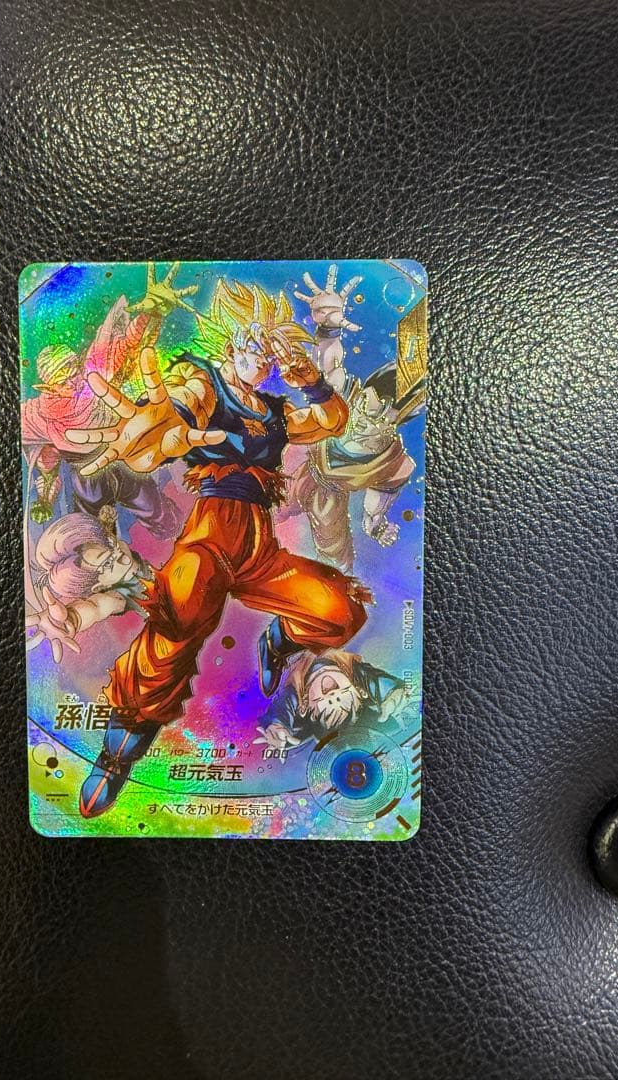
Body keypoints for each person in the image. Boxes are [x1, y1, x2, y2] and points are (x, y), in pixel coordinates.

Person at [63, 276, 372, 818]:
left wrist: (311, 382)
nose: (264, 357)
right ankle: (118, 753)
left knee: (340, 612)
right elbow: (175, 409)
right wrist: (156, 425)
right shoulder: (204, 383)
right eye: (256, 342)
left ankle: (280, 639)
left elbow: (330, 420)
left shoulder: (273, 411)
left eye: (272, 349)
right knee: (178, 617)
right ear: (230, 343)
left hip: (259, 550)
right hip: (209, 538)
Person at [21, 264, 193, 537]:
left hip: (124, 461)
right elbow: (37, 444)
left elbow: (125, 345)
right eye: (62, 378)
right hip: (87, 478)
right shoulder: (39, 412)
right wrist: (46, 488)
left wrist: (150, 311)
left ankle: (176, 535)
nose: (72, 380)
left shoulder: (93, 374)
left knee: (156, 511)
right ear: (48, 386)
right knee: (95, 532)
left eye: (73, 370)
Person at [282, 265, 422, 573]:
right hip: (296, 465)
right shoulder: (347, 398)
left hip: (330, 499)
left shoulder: (393, 462)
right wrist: (328, 327)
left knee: (336, 564)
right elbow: (330, 367)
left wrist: (376, 527)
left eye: (376, 419)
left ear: (393, 425)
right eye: (362, 407)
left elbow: (373, 511)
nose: (361, 420)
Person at [25, 506, 152, 663]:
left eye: (110, 544)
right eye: (108, 564)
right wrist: (72, 619)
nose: (119, 555)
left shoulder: (140, 537)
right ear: (99, 587)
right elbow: (97, 606)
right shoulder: (122, 595)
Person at [254, 649, 417, 752]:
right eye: (343, 696)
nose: (333, 695)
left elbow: (283, 708)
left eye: (327, 703)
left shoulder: (296, 691)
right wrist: (393, 694)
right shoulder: (355, 672)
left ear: (305, 706)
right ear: (359, 690)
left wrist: (276, 726)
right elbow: (375, 682)